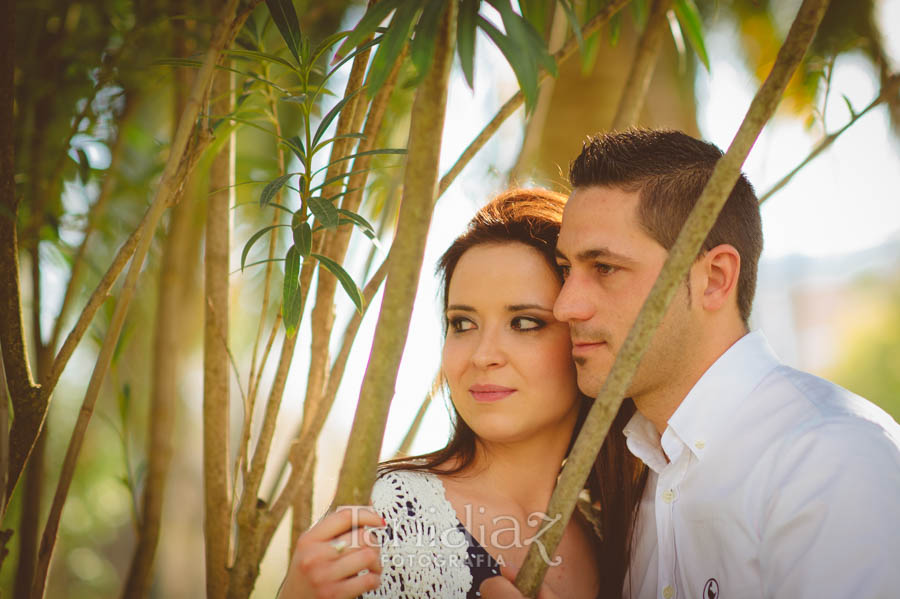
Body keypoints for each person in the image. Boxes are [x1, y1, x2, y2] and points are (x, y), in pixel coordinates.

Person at [551, 128, 900, 599]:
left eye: (605, 268)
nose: (565, 306)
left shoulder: (828, 458)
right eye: (566, 270)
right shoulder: (644, 479)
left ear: (714, 278)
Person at [279, 189, 640, 599]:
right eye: (462, 324)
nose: (482, 356)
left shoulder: (619, 538)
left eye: (524, 323)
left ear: (583, 338)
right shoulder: (390, 515)